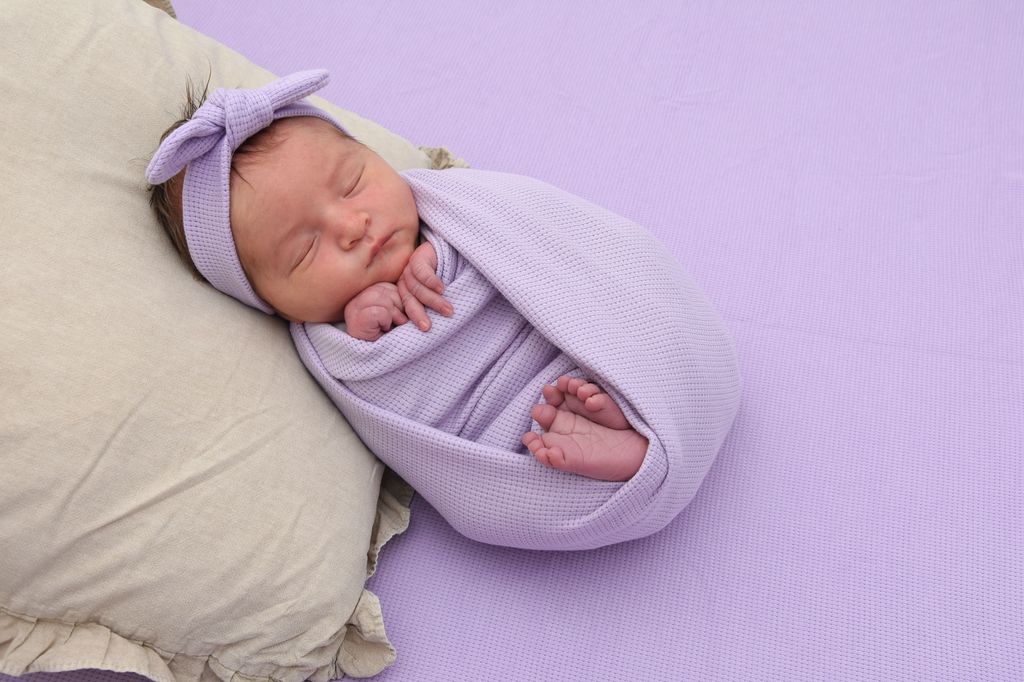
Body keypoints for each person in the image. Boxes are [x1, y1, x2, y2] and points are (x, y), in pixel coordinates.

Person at [146, 70, 647, 483]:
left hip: (563, 342)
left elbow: (528, 239)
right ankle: (604, 453)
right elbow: (392, 409)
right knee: (542, 434)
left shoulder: (450, 208)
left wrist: (439, 257)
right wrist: (366, 332)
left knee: (608, 339)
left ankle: (625, 408)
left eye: (352, 184)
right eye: (305, 249)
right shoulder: (337, 346)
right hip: (498, 422)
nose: (352, 226)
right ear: (266, 301)